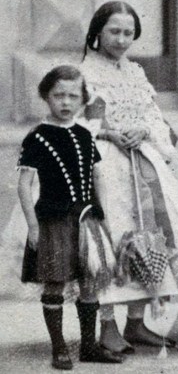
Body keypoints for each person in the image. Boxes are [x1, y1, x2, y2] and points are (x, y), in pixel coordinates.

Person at [80, 1, 178, 354]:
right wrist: (109, 134)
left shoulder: (135, 72)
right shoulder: (85, 73)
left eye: (128, 33)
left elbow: (153, 115)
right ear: (97, 33)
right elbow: (78, 121)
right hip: (105, 165)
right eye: (114, 32)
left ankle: (137, 322)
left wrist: (142, 130)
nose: (121, 40)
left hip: (143, 159)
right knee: (114, 238)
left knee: (152, 233)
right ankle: (107, 326)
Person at [17, 66, 124, 369]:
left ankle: (88, 346)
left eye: (73, 96)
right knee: (55, 282)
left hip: (86, 220)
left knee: (89, 282)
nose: (65, 102)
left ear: (82, 100)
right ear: (46, 97)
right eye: (58, 95)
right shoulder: (37, 137)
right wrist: (33, 225)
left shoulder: (84, 134)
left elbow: (97, 176)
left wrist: (102, 214)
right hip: (52, 221)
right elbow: (24, 185)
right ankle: (59, 347)